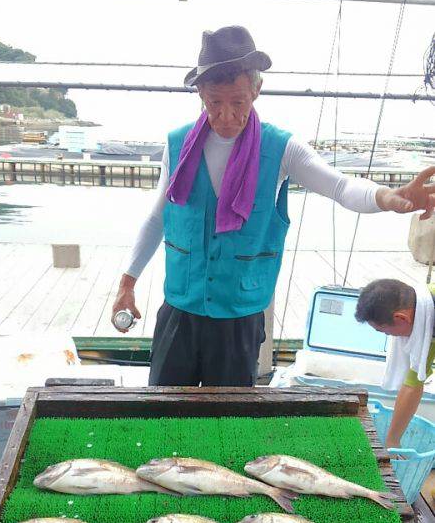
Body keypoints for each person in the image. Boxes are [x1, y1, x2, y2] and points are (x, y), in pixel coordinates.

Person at [112, 25, 435, 387]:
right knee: (162, 412)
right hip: (179, 310)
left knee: (228, 425)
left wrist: (387, 197)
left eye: (238, 102)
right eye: (214, 103)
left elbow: (341, 186)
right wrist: (128, 283)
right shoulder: (178, 145)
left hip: (239, 316)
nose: (227, 116)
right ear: (200, 93)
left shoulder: (282, 149)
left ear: (256, 90)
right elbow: (158, 217)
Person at [355, 278, 435, 449]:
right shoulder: (426, 317)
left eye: (384, 331)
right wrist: (393, 441)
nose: (390, 337)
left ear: (401, 318)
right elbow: (413, 383)